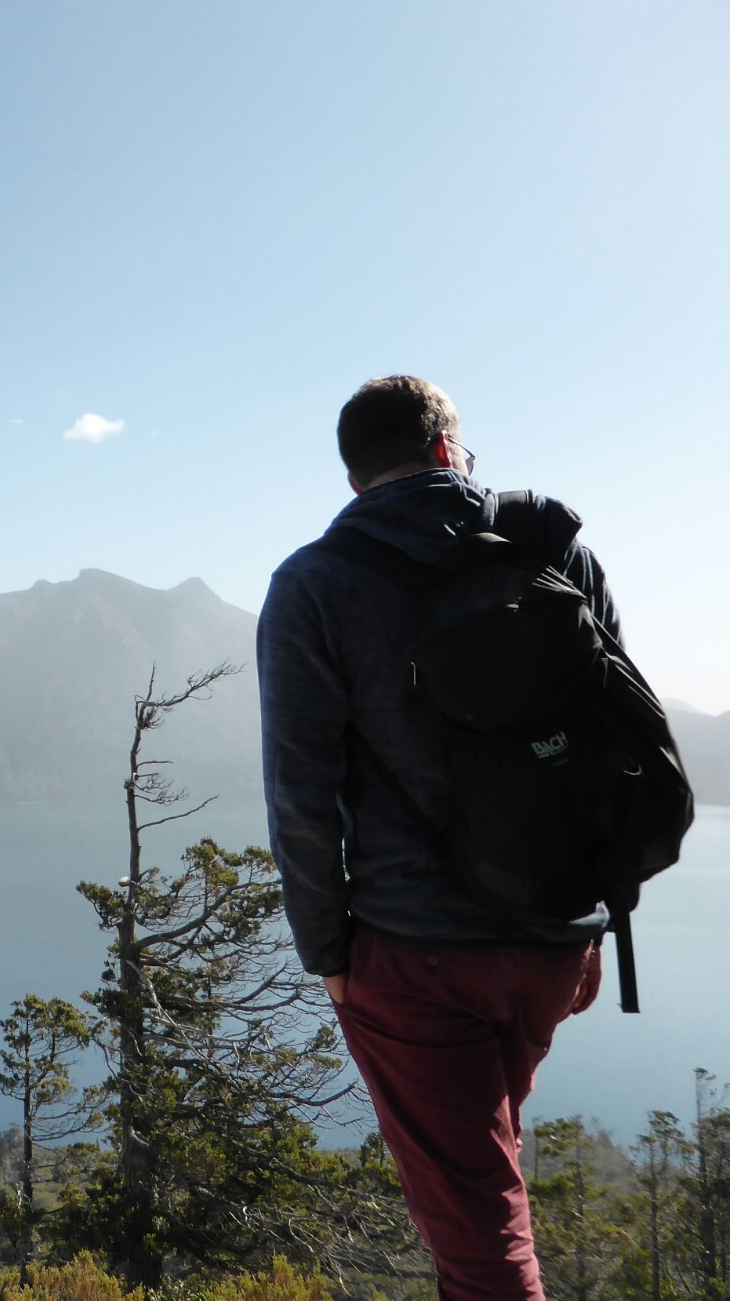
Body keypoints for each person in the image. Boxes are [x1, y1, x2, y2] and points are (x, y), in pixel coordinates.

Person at [258, 375, 608, 1301]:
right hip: (552, 936)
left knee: (479, 1229)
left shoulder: (314, 586)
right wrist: (596, 916)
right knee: (485, 1180)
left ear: (352, 480)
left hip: (414, 957)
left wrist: (327, 953)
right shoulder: (556, 552)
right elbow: (618, 748)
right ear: (451, 452)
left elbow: (301, 793)